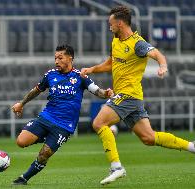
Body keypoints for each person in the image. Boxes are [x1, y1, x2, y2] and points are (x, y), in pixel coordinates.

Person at [81, 6, 195, 185]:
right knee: (149, 138)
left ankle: (116, 167)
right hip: (131, 98)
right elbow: (110, 64)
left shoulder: (137, 43)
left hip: (129, 94)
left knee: (99, 122)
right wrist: (92, 69)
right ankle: (191, 146)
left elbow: (157, 54)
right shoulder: (116, 40)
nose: (109, 27)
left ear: (120, 23)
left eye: (111, 24)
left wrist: (163, 66)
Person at [11, 44, 114, 185]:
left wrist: (106, 93)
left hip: (64, 125)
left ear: (70, 58)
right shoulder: (50, 75)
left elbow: (97, 91)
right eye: (55, 58)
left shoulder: (80, 77)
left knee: (44, 154)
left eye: (60, 58)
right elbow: (36, 90)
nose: (56, 61)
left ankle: (24, 178)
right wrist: (21, 104)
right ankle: (47, 137)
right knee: (21, 142)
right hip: (47, 117)